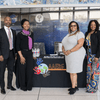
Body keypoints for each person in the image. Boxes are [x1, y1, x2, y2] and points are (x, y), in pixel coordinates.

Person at [62, 21, 86, 95]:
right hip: (69, 55)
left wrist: (70, 51)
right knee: (71, 70)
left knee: (74, 71)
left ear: (77, 26)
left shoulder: (79, 34)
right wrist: (64, 51)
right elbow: (63, 45)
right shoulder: (68, 35)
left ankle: (73, 88)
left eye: (74, 25)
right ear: (69, 27)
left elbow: (80, 44)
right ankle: (75, 86)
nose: (73, 27)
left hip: (76, 54)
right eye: (71, 26)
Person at [16, 19, 34, 91]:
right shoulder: (19, 34)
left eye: (28, 24)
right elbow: (17, 46)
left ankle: (29, 86)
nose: (27, 25)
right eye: (25, 24)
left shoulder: (31, 33)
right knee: (22, 70)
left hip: (29, 53)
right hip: (22, 53)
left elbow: (32, 44)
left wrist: (33, 53)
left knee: (29, 70)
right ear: (22, 25)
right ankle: (23, 86)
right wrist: (21, 56)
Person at [0, 16, 16, 94]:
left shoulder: (13, 31)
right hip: (3, 55)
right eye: (7, 20)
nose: (8, 21)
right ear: (4, 21)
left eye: (9, 20)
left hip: (11, 53)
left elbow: (14, 43)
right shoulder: (0, 31)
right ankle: (2, 87)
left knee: (10, 71)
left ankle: (9, 85)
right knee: (1, 72)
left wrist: (15, 53)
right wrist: (0, 55)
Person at [84, 20, 100, 93]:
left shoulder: (99, 33)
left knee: (95, 72)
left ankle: (94, 88)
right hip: (88, 55)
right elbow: (85, 45)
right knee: (89, 72)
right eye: (91, 24)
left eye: (94, 24)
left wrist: (97, 56)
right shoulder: (87, 33)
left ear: (96, 25)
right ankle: (89, 87)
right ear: (89, 26)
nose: (93, 26)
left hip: (95, 55)